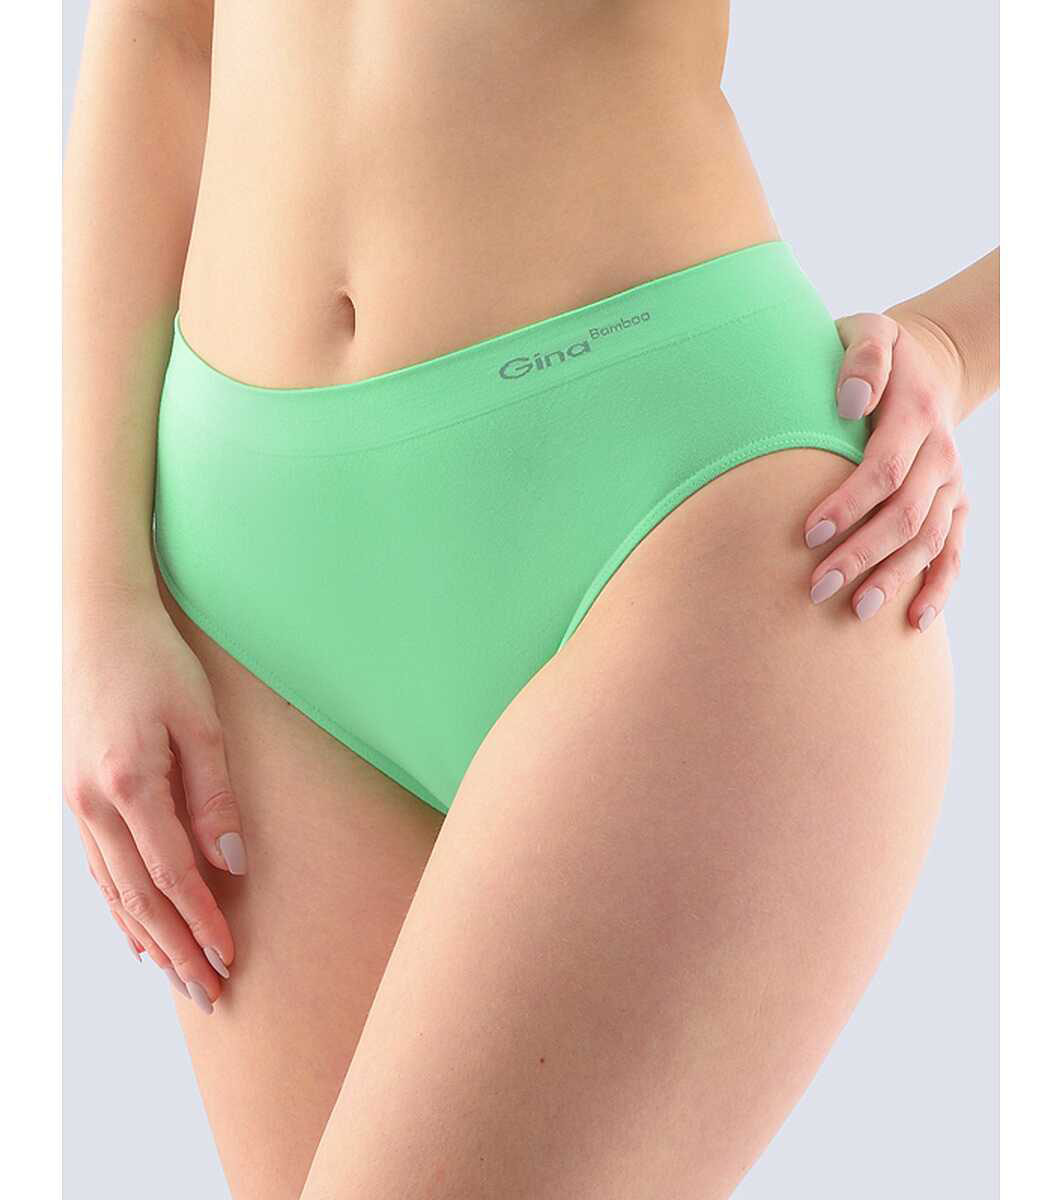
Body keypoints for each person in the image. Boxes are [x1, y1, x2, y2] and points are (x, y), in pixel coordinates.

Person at [62, 2, 999, 1196]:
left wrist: (958, 342)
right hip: (247, 581)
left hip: (682, 519)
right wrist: (95, 593)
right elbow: (164, 37)